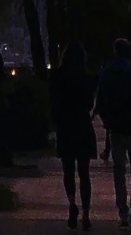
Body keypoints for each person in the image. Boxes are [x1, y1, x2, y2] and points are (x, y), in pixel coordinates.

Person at [93, 38, 131, 232]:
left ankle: (123, 214)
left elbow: (100, 101)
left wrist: (107, 123)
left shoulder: (107, 74)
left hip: (117, 130)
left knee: (119, 172)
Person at [50, 42, 98, 230]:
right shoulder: (87, 78)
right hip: (82, 126)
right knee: (84, 173)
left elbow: (53, 102)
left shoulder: (57, 77)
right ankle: (86, 214)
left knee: (67, 170)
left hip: (65, 126)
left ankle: (71, 203)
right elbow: (88, 105)